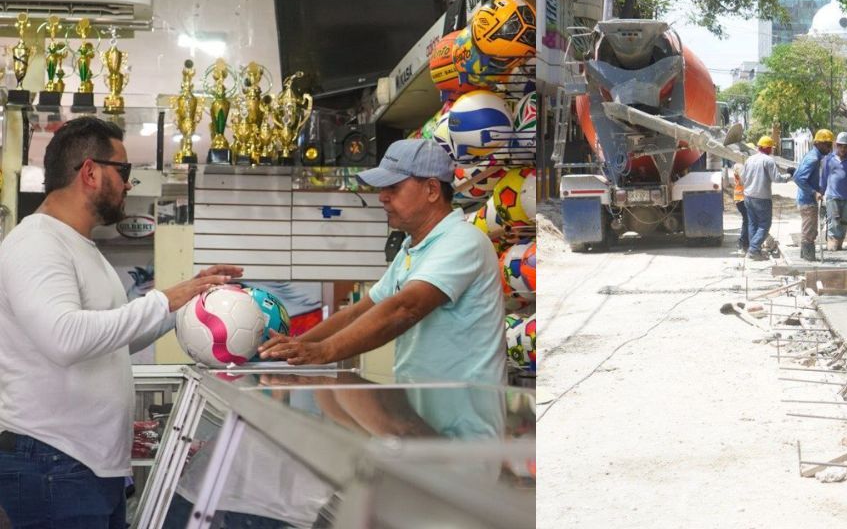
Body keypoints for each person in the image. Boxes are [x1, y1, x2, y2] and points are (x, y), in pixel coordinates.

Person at [0, 116, 238, 526]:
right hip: (55, 464)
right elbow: (66, 338)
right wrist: (164, 299)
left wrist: (191, 299)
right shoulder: (37, 243)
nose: (129, 184)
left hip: (85, 467)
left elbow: (111, 339)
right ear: (90, 172)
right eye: (124, 171)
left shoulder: (79, 246)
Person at [260, 139, 506, 387]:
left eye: (393, 187)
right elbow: (358, 311)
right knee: (333, 397)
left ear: (432, 190)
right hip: (424, 406)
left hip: (467, 413)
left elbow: (405, 308)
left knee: (343, 394)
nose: (382, 198)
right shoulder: (413, 247)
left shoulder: (463, 240)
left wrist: (323, 352)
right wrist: (295, 348)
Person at [741, 135, 791, 261]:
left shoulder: (749, 160)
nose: (772, 151)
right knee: (764, 225)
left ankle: (755, 251)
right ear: (767, 148)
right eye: (771, 148)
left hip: (748, 196)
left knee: (753, 224)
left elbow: (742, 178)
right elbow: (777, 178)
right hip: (762, 198)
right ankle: (753, 249)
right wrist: (789, 175)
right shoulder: (768, 161)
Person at [793, 129, 835, 261]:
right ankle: (808, 259)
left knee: (809, 231)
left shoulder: (814, 156)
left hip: (807, 200)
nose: (830, 149)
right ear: (818, 144)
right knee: (809, 232)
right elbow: (798, 178)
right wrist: (814, 192)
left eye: (830, 145)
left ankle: (804, 256)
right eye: (827, 145)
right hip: (807, 201)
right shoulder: (813, 158)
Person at [732, 163, 749, 254]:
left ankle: (744, 243)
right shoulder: (741, 177)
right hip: (742, 200)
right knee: (747, 221)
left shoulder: (737, 175)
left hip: (739, 200)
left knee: (746, 220)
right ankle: (743, 243)